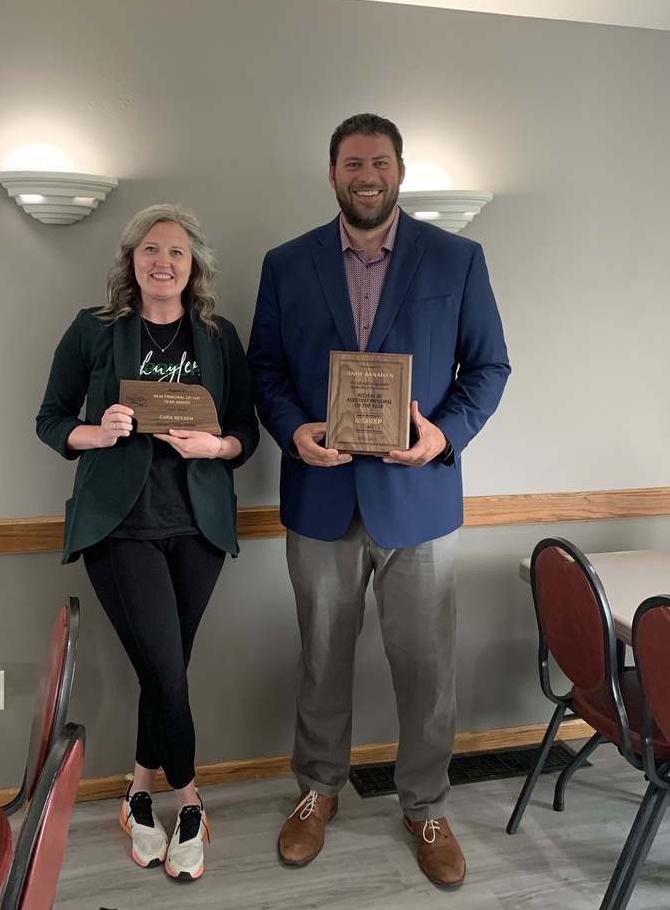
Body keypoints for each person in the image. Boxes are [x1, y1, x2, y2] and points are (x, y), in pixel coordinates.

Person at [247, 114, 510, 888]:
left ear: (400, 171)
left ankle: (426, 806)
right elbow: (265, 368)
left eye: (380, 162)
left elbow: (488, 367)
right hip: (320, 496)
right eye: (353, 163)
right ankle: (318, 791)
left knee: (427, 673)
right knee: (321, 662)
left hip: (419, 502)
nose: (367, 175)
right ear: (333, 174)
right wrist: (293, 431)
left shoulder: (457, 258)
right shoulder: (287, 263)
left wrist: (444, 435)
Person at [37, 203, 258, 882]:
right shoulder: (95, 329)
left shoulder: (217, 337)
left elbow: (245, 430)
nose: (163, 262)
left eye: (177, 252)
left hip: (199, 527)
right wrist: (97, 432)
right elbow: (50, 419)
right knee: (165, 670)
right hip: (121, 525)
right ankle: (189, 801)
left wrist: (215, 446)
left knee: (166, 671)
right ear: (131, 261)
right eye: (151, 250)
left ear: (194, 267)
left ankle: (137, 794)